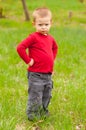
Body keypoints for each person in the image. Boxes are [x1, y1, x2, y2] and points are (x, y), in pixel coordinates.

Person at [16, 7, 58, 121]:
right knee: (36, 96)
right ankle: (33, 115)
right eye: (40, 25)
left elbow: (55, 48)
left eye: (46, 24)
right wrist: (28, 60)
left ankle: (43, 112)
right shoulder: (33, 37)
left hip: (48, 74)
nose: (43, 27)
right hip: (36, 74)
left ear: (51, 23)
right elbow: (20, 47)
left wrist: (51, 61)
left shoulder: (50, 39)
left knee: (46, 95)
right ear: (34, 24)